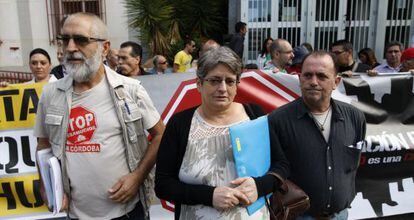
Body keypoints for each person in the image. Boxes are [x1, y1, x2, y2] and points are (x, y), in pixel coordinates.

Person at [34, 12, 165, 219]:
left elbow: (160, 135)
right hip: (75, 214)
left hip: (127, 212)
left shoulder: (130, 90)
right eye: (64, 39)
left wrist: (137, 177)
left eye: (80, 40)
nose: (70, 48)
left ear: (104, 48)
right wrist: (46, 185)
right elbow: (43, 146)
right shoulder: (50, 94)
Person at [155, 46, 289, 219]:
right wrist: (209, 196)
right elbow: (163, 185)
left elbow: (282, 165)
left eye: (230, 81)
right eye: (215, 80)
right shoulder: (180, 123)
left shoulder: (255, 116)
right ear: (199, 83)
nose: (223, 88)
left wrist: (259, 186)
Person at [268, 51, 366, 219]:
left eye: (321, 76)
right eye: (307, 75)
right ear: (299, 79)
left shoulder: (355, 117)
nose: (313, 82)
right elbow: (272, 172)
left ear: (336, 82)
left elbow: (353, 164)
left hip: (341, 215)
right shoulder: (277, 121)